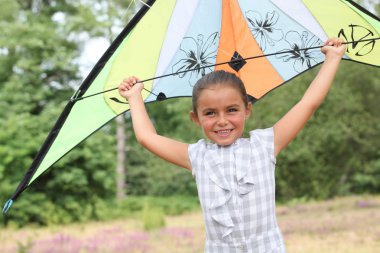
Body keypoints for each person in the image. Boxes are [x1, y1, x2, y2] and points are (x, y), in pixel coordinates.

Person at [118, 38, 346, 252]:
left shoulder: (265, 144)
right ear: (196, 118)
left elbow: (308, 103)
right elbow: (147, 137)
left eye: (232, 110)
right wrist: (134, 97)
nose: (222, 120)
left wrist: (333, 58)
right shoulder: (197, 156)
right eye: (210, 113)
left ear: (247, 109)